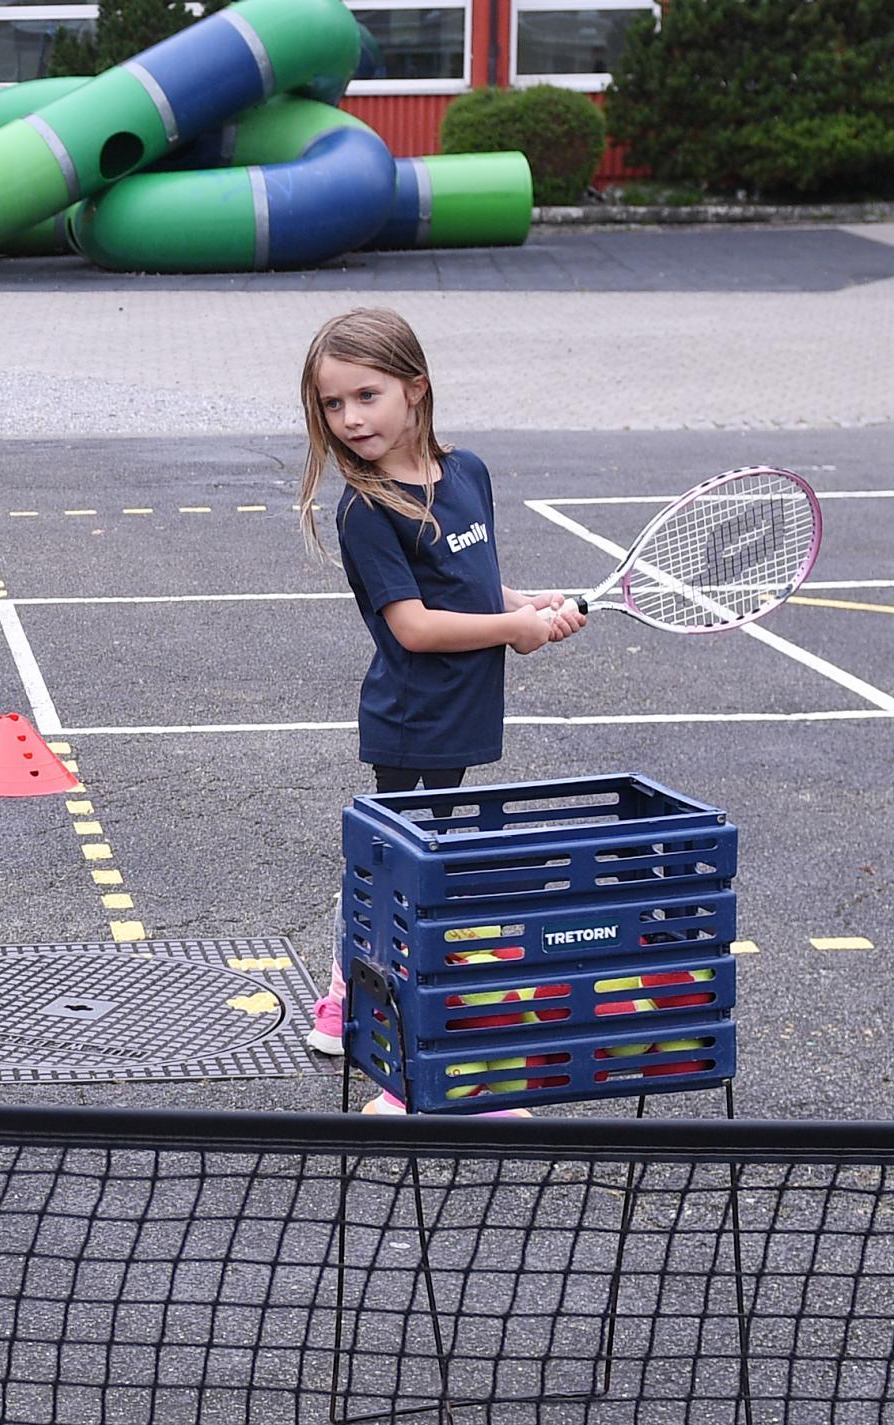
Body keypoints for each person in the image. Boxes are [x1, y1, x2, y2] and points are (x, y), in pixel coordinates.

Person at [291, 307, 584, 1115]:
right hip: (414, 721)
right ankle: (414, 1076)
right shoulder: (366, 508)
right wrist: (515, 628)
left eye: (366, 395)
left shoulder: (469, 474)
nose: (350, 419)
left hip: (461, 717)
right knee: (421, 890)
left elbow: (475, 588)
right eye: (333, 405)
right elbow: (415, 627)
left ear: (416, 391)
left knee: (398, 880)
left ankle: (347, 998)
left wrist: (529, 606)